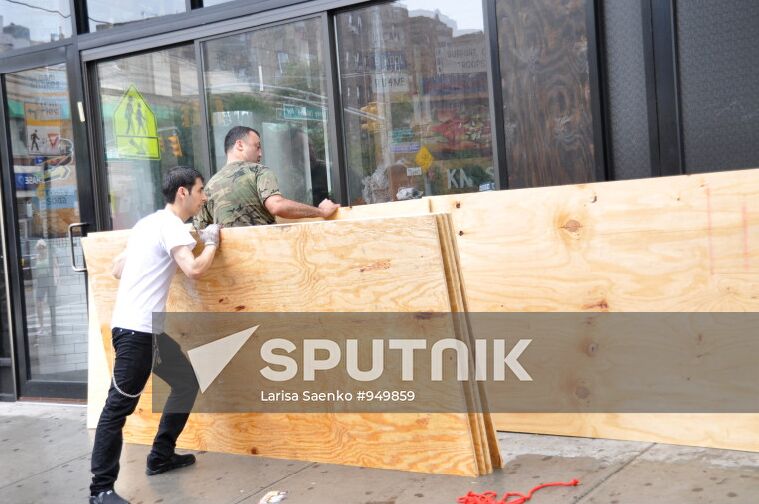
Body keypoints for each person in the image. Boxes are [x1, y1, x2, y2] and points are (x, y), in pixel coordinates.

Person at [89, 166, 222, 504]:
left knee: (186, 382)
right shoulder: (169, 226)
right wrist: (211, 243)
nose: (204, 196)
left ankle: (160, 457)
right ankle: (100, 490)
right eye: (200, 189)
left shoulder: (149, 224)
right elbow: (193, 269)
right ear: (183, 193)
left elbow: (117, 269)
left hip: (146, 331)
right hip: (137, 333)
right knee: (116, 409)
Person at [194, 126, 340, 229]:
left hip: (231, 267)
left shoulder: (209, 186)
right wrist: (321, 212)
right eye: (257, 147)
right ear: (239, 145)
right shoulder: (259, 171)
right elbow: (277, 206)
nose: (260, 154)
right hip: (264, 258)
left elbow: (200, 227)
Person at [33, 239, 59, 335]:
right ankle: (41, 327)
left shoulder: (50, 256)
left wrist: (56, 281)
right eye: (39, 248)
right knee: (39, 304)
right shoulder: (37, 257)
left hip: (50, 280)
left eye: (42, 248)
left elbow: (56, 268)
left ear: (45, 248)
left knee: (51, 304)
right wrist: (36, 282)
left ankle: (53, 326)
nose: (41, 250)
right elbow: (36, 271)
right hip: (40, 281)